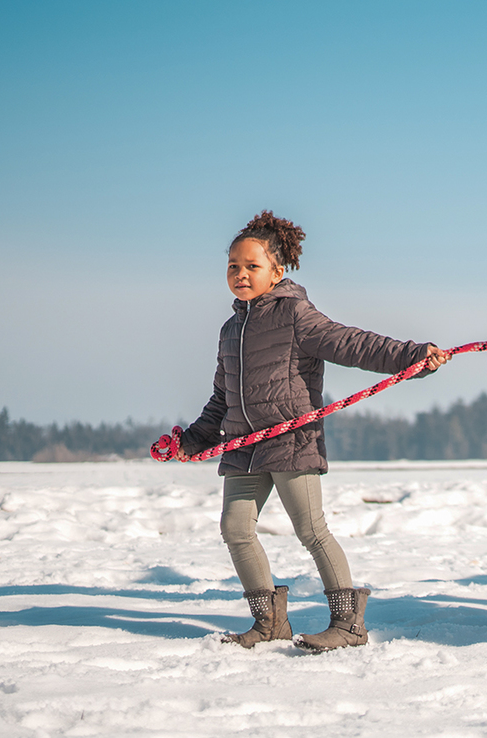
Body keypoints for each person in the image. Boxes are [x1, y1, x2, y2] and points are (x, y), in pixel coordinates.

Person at [176, 210, 448, 651]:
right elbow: (222, 400)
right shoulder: (231, 330)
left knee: (310, 529)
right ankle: (268, 623)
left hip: (289, 441)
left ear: (277, 272)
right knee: (236, 527)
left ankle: (347, 625)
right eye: (233, 266)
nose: (240, 274)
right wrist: (193, 439)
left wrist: (412, 356)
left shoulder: (295, 315)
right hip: (244, 447)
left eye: (251, 266)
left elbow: (352, 343)